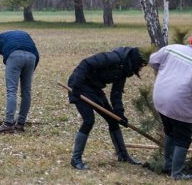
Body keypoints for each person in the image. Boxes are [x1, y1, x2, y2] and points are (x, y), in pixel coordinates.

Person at [66, 46, 147, 170]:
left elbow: (116, 93)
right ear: (135, 61)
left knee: (113, 120)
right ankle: (76, 159)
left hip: (94, 88)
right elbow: (85, 63)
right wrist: (76, 89)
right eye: (141, 65)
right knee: (89, 120)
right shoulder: (112, 58)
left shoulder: (123, 69)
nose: (141, 68)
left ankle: (123, 156)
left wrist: (119, 113)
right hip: (79, 86)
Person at [0, 30, 39, 133]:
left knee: (12, 91)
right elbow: (37, 54)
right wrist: (30, 71)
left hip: (14, 57)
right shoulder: (25, 35)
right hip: (32, 57)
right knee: (26, 92)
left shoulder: (0, 37)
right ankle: (21, 124)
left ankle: (9, 123)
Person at [149, 38, 192, 180]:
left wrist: (165, 73)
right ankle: (177, 174)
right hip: (180, 103)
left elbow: (152, 61)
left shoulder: (171, 49)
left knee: (170, 132)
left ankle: (168, 165)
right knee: (183, 138)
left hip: (160, 98)